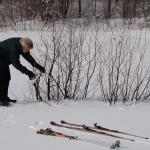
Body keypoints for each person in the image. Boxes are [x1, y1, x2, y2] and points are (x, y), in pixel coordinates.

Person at [0, 37, 45, 106]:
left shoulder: (21, 44)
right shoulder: (14, 48)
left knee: (6, 78)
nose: (29, 50)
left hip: (3, 61)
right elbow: (16, 63)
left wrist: (38, 66)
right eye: (28, 49)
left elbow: (28, 57)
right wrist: (27, 72)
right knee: (2, 79)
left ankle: (4, 97)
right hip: (1, 60)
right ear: (23, 46)